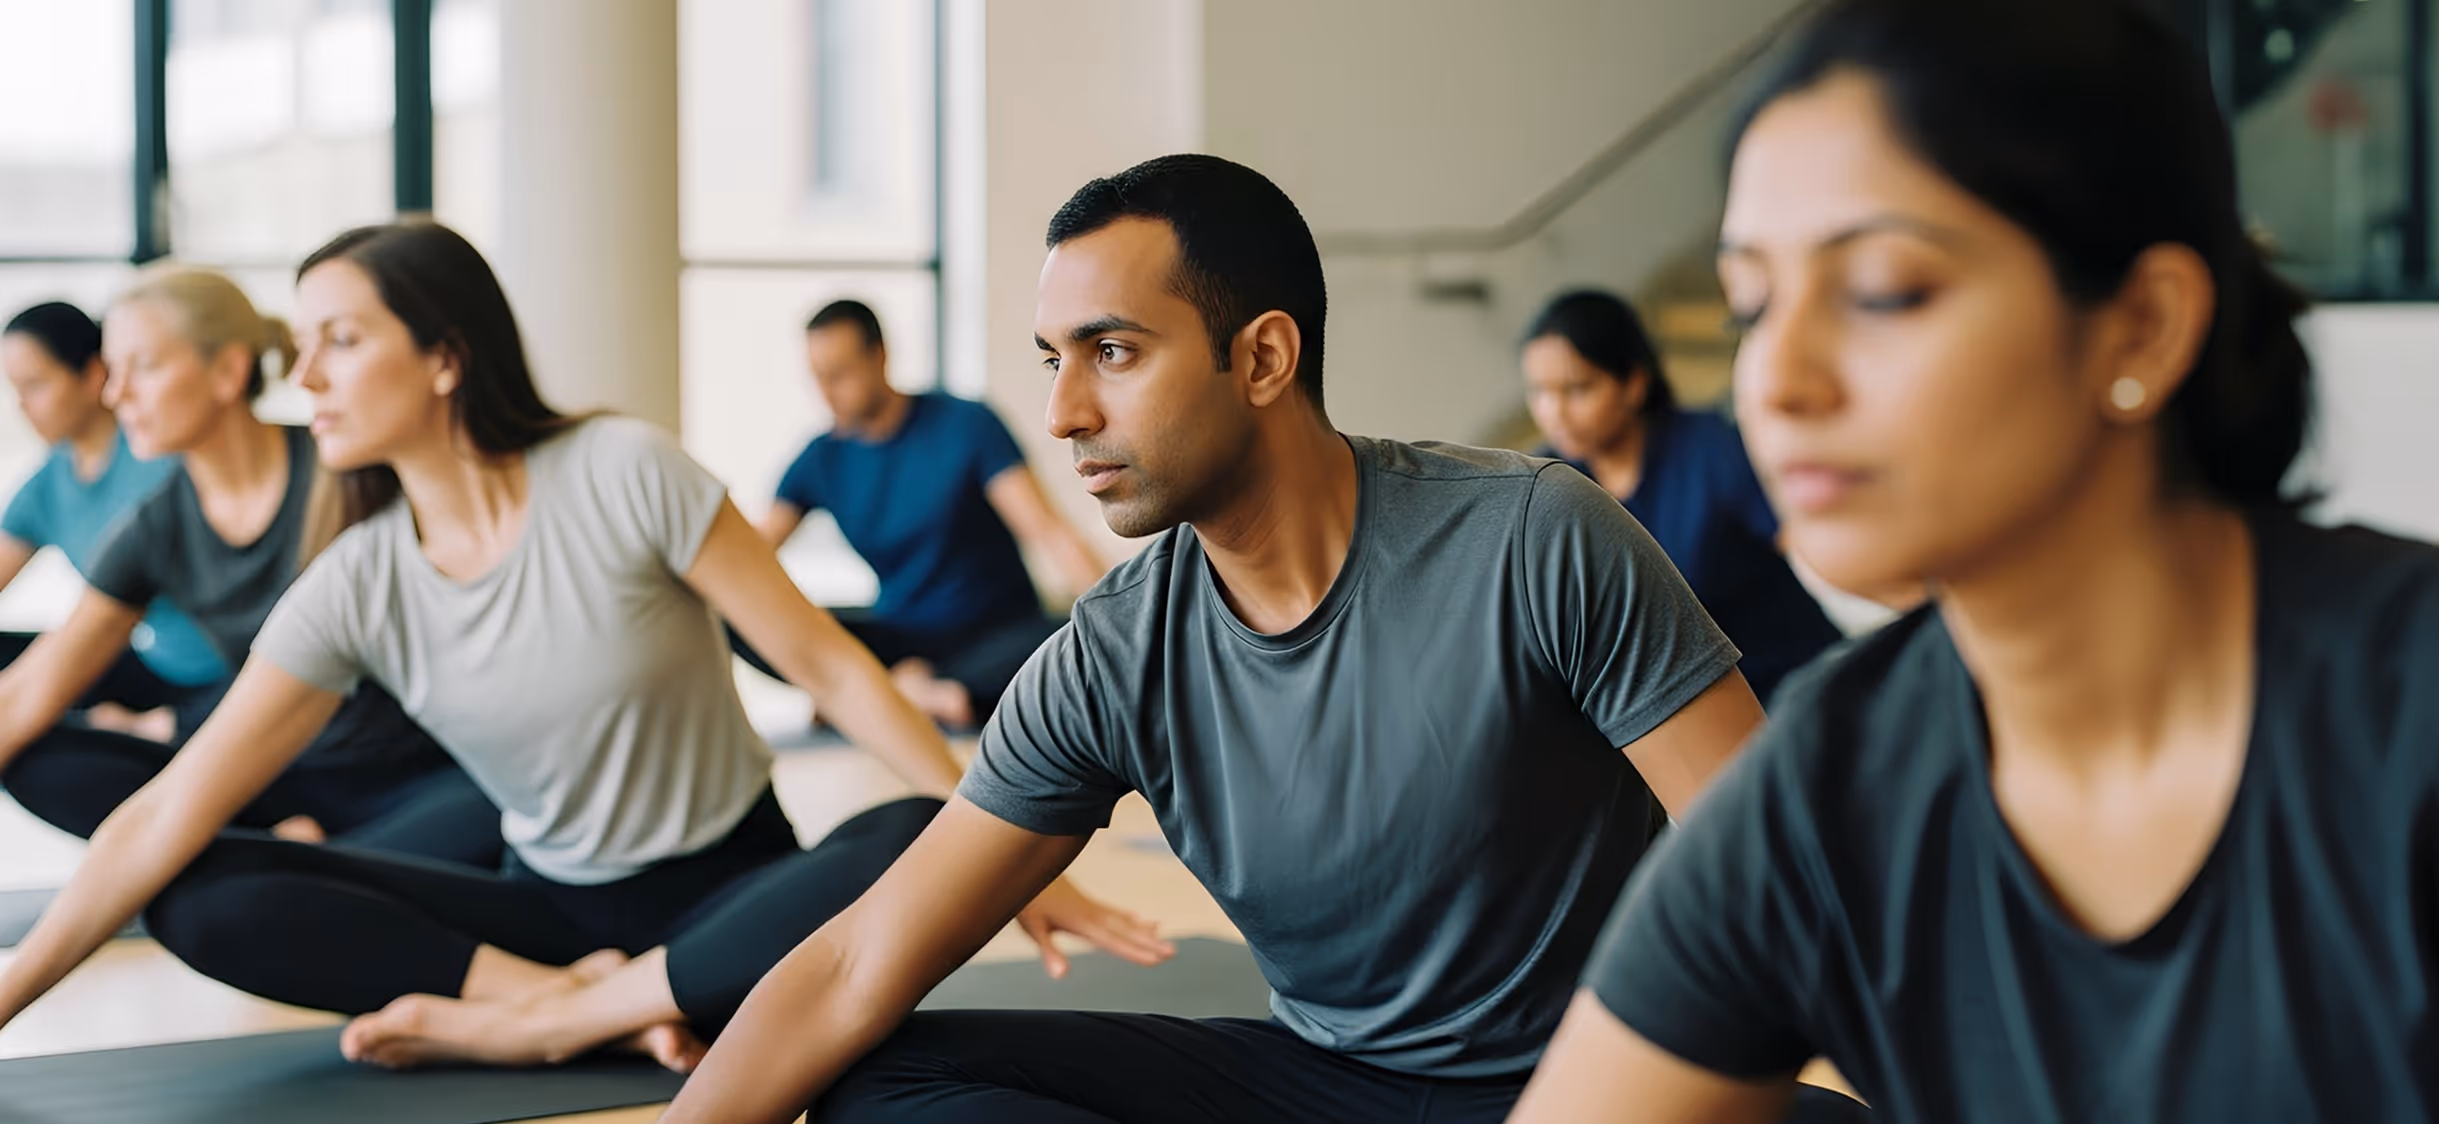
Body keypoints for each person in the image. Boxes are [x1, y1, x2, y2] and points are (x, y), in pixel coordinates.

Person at [1510, 1, 2439, 1121]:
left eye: (1882, 290)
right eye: (1752, 301)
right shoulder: (1829, 782)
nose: (1775, 379)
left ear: (2140, 324)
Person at [660, 153, 1863, 1124]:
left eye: (1112, 352)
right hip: (1321, 1083)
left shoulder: (1534, 537)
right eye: (1053, 359)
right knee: (880, 1075)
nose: (1064, 411)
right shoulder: (1113, 652)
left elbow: (1770, 886)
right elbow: (860, 954)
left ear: (1263, 357)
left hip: (1601, 1080)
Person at [0, 222, 1163, 1075]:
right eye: (301, 347)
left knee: (919, 832)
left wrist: (1001, 858)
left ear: (445, 355)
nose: (303, 378)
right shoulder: (356, 575)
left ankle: (546, 1026)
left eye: (340, 341)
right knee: (200, 888)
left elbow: (828, 667)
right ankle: (574, 994)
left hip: (737, 886)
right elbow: (165, 810)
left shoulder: (621, 469)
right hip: (547, 911)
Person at [0, 271, 494, 865]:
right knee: (48, 767)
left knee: (269, 901)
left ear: (228, 373)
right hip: (276, 769)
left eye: (145, 366)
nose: (115, 394)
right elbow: (30, 690)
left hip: (414, 773)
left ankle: (296, 864)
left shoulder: (348, 475)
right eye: (113, 368)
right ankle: (281, 855)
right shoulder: (153, 525)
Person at [742, 299, 1112, 730]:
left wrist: (1118, 623)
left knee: (1067, 640)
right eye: (818, 377)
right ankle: (918, 689)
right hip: (900, 636)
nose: (827, 391)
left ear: (879, 357)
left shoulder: (965, 423)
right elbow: (749, 553)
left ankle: (886, 693)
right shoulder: (820, 459)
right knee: (738, 617)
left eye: (839, 374)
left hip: (997, 633)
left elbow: (1049, 532)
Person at [1521, 288, 1843, 697]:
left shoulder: (1708, 448)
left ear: (1634, 384)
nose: (1554, 413)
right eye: (1539, 392)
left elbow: (1811, 546)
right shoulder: (1550, 485)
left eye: (1577, 389)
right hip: (1688, 716)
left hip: (1801, 684)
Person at [0, 301, 231, 735]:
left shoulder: (160, 456)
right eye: (15, 390)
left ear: (93, 375)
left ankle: (160, 731)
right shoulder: (48, 481)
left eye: (34, 385)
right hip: (153, 663)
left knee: (44, 750)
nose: (22, 406)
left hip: (226, 676)